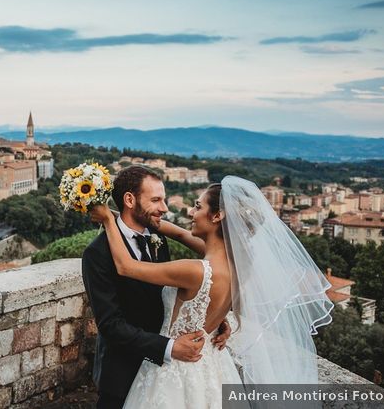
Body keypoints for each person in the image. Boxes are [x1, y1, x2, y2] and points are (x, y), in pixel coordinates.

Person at [91, 175, 334, 408]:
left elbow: (126, 266)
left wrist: (108, 220)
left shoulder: (193, 271)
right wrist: (124, 216)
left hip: (176, 367)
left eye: (197, 207)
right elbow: (180, 233)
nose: (190, 212)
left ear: (217, 215)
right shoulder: (241, 265)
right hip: (212, 363)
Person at [81, 166, 230, 409]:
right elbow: (110, 326)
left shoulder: (157, 238)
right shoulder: (97, 253)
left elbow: (179, 294)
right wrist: (170, 348)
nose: (165, 208)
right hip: (124, 372)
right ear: (130, 200)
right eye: (156, 200)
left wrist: (210, 318)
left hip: (170, 376)